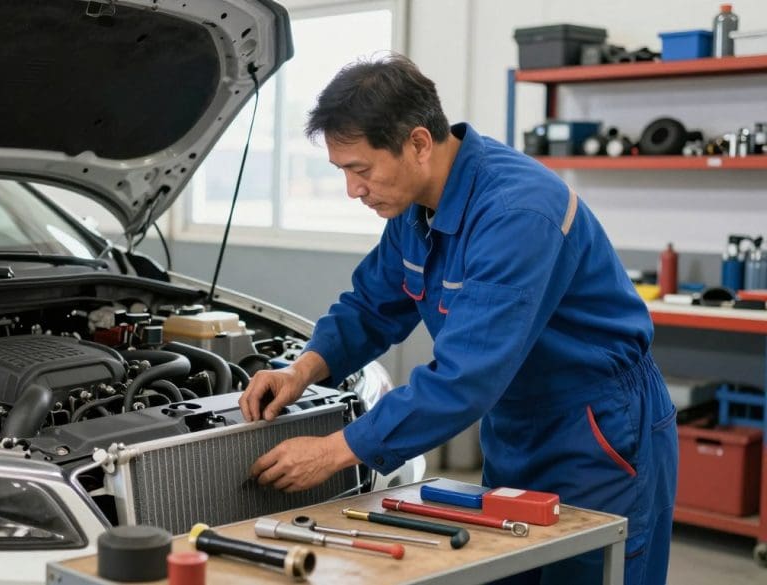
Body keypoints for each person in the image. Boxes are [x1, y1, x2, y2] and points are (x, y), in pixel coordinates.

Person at [238, 53, 677, 585]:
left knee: (589, 571)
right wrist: (300, 370)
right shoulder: (412, 209)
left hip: (596, 428)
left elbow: (465, 376)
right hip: (515, 424)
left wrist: (335, 450)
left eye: (360, 169)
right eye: (343, 172)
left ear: (419, 143)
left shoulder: (517, 212)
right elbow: (371, 304)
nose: (353, 189)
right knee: (512, 568)